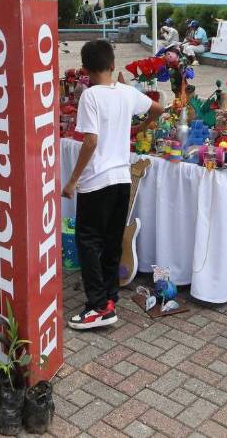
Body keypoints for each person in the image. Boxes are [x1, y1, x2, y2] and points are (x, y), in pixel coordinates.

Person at [62, 40, 163, 330]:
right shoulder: (127, 92)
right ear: (112, 65)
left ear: (84, 69)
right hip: (121, 180)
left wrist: (72, 180)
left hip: (97, 182)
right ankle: (109, 299)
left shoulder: (91, 96)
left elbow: (91, 141)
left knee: (89, 243)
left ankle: (97, 307)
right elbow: (158, 108)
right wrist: (139, 129)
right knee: (110, 242)